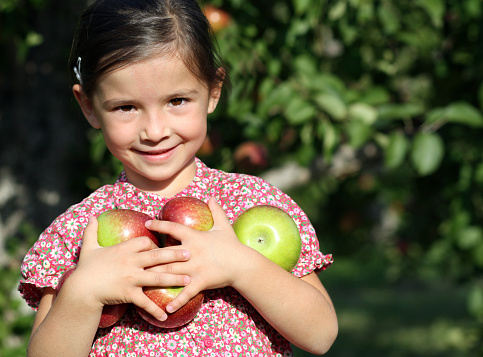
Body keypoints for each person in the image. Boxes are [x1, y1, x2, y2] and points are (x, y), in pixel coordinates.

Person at [19, 0, 338, 356]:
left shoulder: (250, 203)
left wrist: (240, 266)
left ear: (213, 91)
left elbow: (320, 334)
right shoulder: (81, 233)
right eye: (126, 107)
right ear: (89, 106)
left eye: (177, 101)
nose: (154, 131)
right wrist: (83, 293)